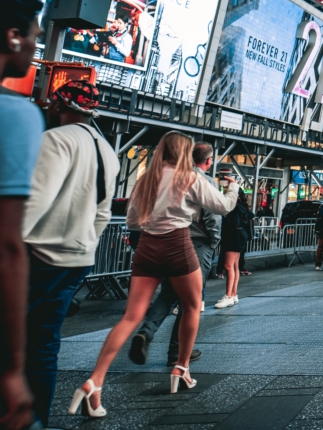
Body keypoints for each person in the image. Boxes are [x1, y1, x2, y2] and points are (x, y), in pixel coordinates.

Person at [70, 132, 238, 417]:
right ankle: (181, 367)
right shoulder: (191, 178)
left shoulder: (145, 179)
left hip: (147, 246)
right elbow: (223, 207)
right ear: (185, 153)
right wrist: (233, 189)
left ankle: (94, 381)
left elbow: (133, 221)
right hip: (178, 244)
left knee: (131, 316)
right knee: (192, 305)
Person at [22, 81, 117, 426]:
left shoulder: (56, 140)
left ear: (60, 105)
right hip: (78, 259)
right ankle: (37, 420)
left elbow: (34, 201)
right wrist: (85, 242)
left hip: (38, 257)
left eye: (51, 104)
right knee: (45, 345)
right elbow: (103, 213)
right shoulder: (106, 150)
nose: (47, 109)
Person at [130, 141, 222, 367]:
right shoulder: (204, 181)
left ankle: (146, 332)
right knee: (190, 300)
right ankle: (178, 352)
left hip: (168, 241)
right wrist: (214, 242)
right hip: (197, 244)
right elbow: (213, 216)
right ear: (209, 161)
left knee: (168, 294)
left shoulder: (168, 177)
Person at [0, 0, 45, 430]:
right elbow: (7, 246)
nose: (35, 47)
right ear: (12, 36)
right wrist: (12, 369)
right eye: (35, 35)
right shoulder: (14, 114)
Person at [216, 189, 250, 308]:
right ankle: (233, 294)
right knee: (234, 266)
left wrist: (224, 216)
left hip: (233, 237)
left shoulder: (235, 208)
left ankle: (229, 295)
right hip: (239, 237)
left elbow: (233, 222)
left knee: (228, 266)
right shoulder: (242, 207)